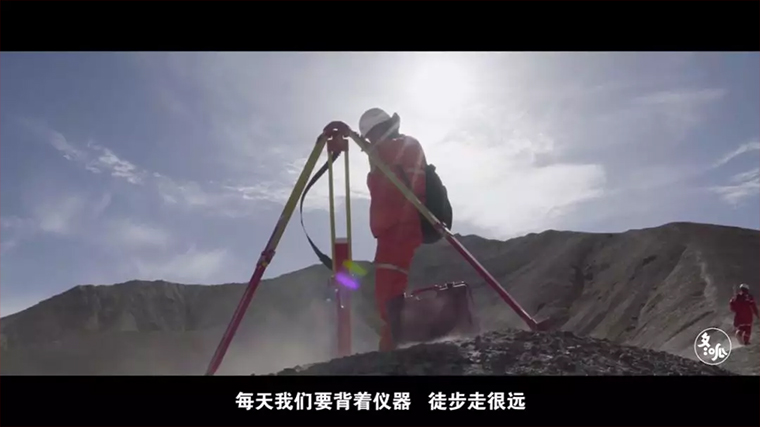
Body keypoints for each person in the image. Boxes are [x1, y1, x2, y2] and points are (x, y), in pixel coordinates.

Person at [359, 107, 427, 351]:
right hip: (389, 230)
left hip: (402, 226)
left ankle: (394, 343)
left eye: (371, 136)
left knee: (388, 287)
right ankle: (396, 339)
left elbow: (411, 183)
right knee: (385, 288)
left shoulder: (405, 145)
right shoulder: (383, 153)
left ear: (382, 129)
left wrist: (367, 147)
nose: (369, 142)